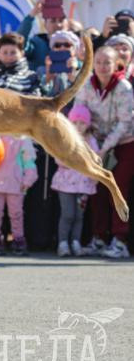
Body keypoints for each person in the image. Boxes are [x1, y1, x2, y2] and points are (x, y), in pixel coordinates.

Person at [74, 45, 134, 258]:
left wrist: (104, 148)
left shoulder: (124, 87)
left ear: (117, 64)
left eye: (107, 62)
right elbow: (78, 112)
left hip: (124, 143)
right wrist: (85, 141)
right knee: (96, 190)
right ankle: (98, 238)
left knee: (118, 188)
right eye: (98, 62)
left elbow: (125, 123)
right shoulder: (86, 86)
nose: (102, 66)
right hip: (95, 144)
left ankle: (120, 240)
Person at [51, 104, 99, 257]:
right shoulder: (64, 139)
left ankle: (75, 242)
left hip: (84, 185)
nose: (79, 126)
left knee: (79, 215)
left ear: (88, 124)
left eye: (82, 123)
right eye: (75, 123)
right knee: (67, 214)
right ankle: (63, 242)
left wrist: (95, 174)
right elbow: (59, 159)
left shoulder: (91, 141)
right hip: (65, 184)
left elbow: (95, 159)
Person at [17, 0, 70, 70]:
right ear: (45, 24)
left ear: (67, 23)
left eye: (61, 20)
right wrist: (33, 13)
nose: (58, 25)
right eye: (53, 21)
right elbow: (19, 41)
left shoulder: (75, 43)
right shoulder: (37, 44)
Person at [41, 30, 84, 98]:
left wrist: (74, 78)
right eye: (57, 45)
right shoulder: (42, 70)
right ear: (52, 49)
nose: (62, 48)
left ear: (74, 49)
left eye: (67, 45)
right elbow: (42, 93)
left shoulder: (83, 68)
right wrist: (48, 77)